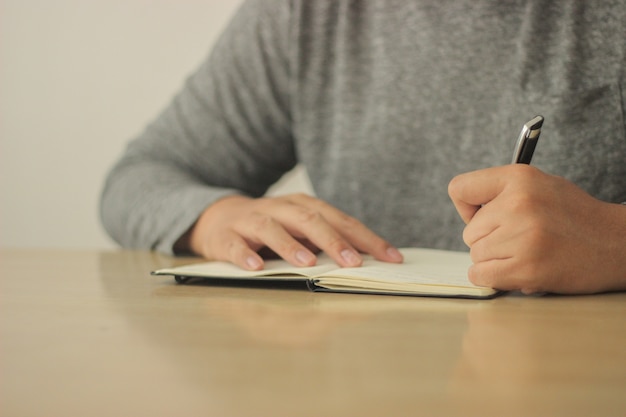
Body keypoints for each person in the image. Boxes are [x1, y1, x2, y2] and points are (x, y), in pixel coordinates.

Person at [100, 1, 626, 295]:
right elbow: (139, 178)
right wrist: (215, 217)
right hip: (356, 375)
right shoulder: (304, 15)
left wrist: (614, 241)